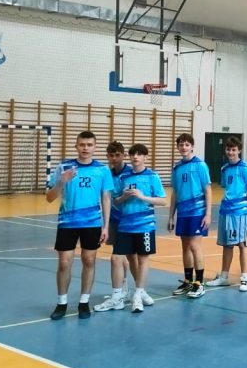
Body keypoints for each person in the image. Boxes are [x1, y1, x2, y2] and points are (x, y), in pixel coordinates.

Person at [47, 131, 113, 321]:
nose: (85, 148)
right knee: (64, 262)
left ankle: (84, 302)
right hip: (67, 223)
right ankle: (61, 303)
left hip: (92, 223)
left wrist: (106, 226)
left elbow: (106, 198)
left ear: (95, 147)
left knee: (89, 261)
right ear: (76, 146)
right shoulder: (64, 167)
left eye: (89, 145)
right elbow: (49, 197)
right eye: (82, 144)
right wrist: (62, 182)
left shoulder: (102, 170)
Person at [112, 144, 168, 313]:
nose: (135, 157)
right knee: (116, 258)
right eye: (133, 154)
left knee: (143, 259)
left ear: (145, 157)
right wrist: (124, 196)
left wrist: (143, 197)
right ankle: (119, 295)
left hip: (145, 225)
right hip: (125, 225)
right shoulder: (124, 177)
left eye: (139, 154)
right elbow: (116, 202)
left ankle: (138, 294)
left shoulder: (152, 176)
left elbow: (163, 200)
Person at [206, 137, 247, 292]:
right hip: (225, 210)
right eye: (228, 149)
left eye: (234, 150)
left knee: (242, 244)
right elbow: (226, 187)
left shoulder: (245, 168)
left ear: (239, 150)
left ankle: (244, 278)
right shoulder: (224, 168)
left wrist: (241, 201)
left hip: (239, 213)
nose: (231, 152)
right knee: (227, 245)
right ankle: (224, 277)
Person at [168, 133, 212, 299]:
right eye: (181, 145)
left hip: (197, 212)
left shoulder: (200, 165)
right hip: (183, 213)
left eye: (187, 145)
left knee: (195, 245)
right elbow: (175, 193)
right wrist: (171, 216)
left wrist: (208, 214)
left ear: (192, 146)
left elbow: (208, 190)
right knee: (185, 246)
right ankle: (188, 281)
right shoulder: (177, 167)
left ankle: (199, 283)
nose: (184, 147)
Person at [94, 141, 136, 312]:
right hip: (113, 219)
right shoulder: (107, 173)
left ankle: (139, 290)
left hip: (129, 220)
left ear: (123, 155)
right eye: (111, 155)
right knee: (120, 255)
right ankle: (123, 289)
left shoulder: (131, 172)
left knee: (131, 256)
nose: (114, 158)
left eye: (117, 155)